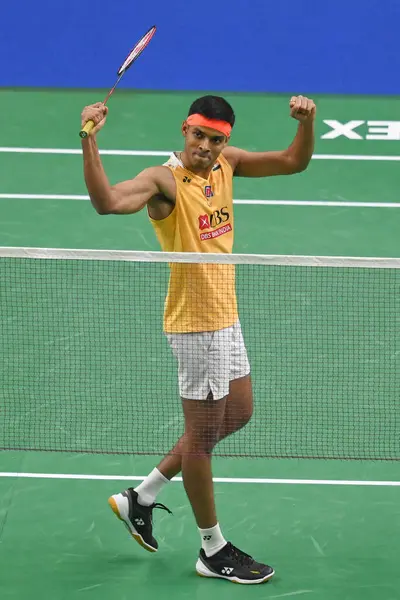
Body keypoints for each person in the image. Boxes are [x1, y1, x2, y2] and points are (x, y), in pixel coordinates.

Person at [81, 94, 316, 584]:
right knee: (203, 441)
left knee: (239, 412)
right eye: (198, 135)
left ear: (225, 140)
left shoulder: (227, 166)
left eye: (216, 139)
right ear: (183, 131)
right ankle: (213, 548)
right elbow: (107, 202)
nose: (205, 146)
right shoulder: (163, 181)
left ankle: (140, 497)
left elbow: (294, 162)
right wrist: (90, 141)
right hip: (196, 326)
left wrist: (307, 123)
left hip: (226, 313)